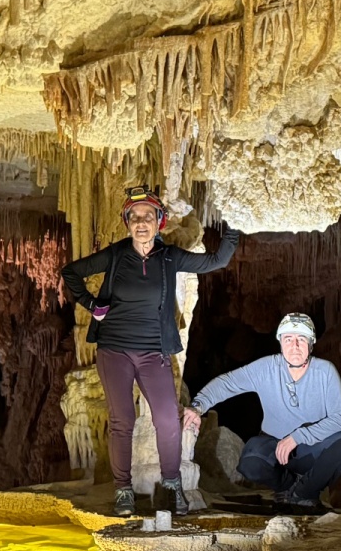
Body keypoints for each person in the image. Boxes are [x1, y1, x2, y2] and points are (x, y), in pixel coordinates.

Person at [61, 185, 241, 517]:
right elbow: (71, 272)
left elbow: (218, 259)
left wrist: (234, 217)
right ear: (127, 221)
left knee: (168, 420)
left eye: (147, 216)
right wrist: (92, 305)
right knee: (122, 420)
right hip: (114, 350)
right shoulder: (115, 255)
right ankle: (123, 491)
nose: (141, 222)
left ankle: (172, 485)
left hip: (152, 352)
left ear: (159, 221)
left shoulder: (169, 258)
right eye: (134, 216)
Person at [183, 312, 341, 511]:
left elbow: (340, 419)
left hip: (310, 448)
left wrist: (298, 437)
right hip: (274, 444)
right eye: (288, 339)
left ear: (311, 343)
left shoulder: (325, 371)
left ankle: (304, 493)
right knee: (251, 462)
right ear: (280, 342)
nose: (295, 346)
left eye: (302, 339)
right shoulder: (267, 368)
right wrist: (198, 406)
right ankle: (287, 487)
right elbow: (227, 383)